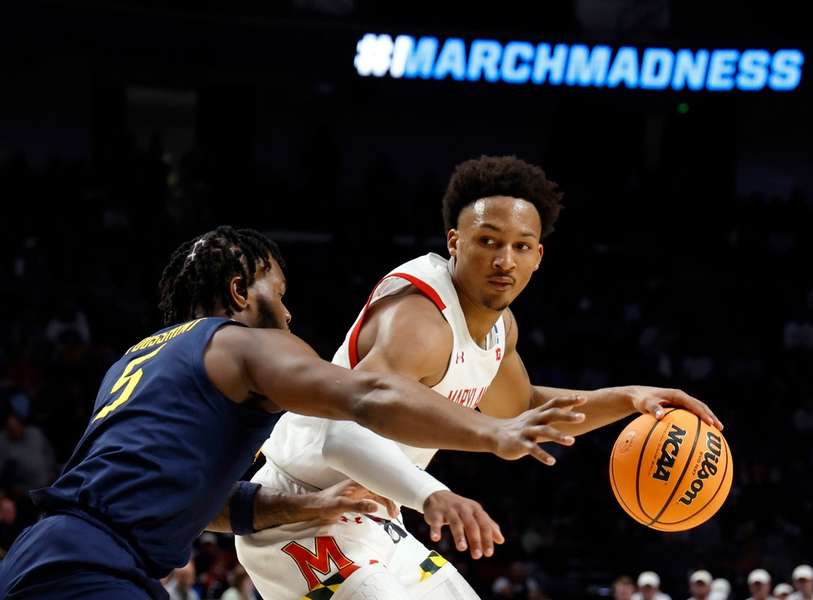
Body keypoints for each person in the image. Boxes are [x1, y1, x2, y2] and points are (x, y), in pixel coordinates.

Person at [0, 226, 583, 600]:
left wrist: (309, 505)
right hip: (92, 571)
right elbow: (369, 395)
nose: (287, 311)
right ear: (238, 293)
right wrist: (491, 431)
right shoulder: (243, 343)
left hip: (41, 558)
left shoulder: (139, 359)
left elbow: (204, 501)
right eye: (276, 293)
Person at [238, 157, 722, 599]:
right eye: (488, 241)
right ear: (455, 241)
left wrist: (628, 399)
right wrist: (434, 495)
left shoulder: (498, 330)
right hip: (299, 511)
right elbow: (341, 435)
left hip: (375, 515)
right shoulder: (418, 319)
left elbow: (523, 412)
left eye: (520, 246)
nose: (503, 261)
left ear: (538, 256)